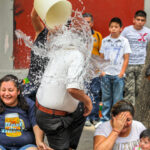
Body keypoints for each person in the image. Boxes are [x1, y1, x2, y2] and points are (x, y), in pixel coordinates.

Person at [31, 4, 93, 150]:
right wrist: (88, 100)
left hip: (47, 105)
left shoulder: (60, 46)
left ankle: (70, 146)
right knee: (86, 102)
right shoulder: (72, 52)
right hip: (49, 112)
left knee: (81, 110)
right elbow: (72, 89)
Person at [0, 74, 50, 150]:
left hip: (26, 146)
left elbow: (36, 124)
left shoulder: (29, 104)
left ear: (18, 91)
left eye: (10, 90)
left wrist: (39, 141)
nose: (6, 94)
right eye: (3, 90)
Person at [99, 17, 131, 122]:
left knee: (117, 100)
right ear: (109, 28)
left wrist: (121, 73)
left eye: (116, 27)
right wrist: (102, 71)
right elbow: (101, 57)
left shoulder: (124, 41)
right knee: (106, 99)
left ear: (121, 28)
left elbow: (126, 58)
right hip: (106, 75)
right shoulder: (105, 40)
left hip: (118, 75)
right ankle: (104, 120)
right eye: (112, 27)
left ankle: (116, 120)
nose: (114, 29)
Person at [121, 10, 150, 105]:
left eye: (142, 20)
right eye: (138, 19)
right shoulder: (126, 30)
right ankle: (129, 111)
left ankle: (137, 112)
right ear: (134, 20)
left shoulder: (148, 32)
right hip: (129, 64)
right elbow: (121, 45)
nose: (140, 22)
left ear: (145, 21)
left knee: (139, 89)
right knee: (129, 90)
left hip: (142, 64)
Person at [22, 7, 49, 101]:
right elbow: (34, 16)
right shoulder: (41, 32)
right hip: (29, 80)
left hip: (48, 86)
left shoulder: (63, 41)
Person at [83, 12, 103, 126]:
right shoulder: (79, 36)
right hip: (83, 72)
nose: (86, 24)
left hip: (95, 72)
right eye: (84, 22)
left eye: (88, 22)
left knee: (95, 94)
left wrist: (99, 69)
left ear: (92, 23)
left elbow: (101, 54)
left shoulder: (98, 36)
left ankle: (94, 117)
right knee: (84, 94)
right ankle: (85, 118)